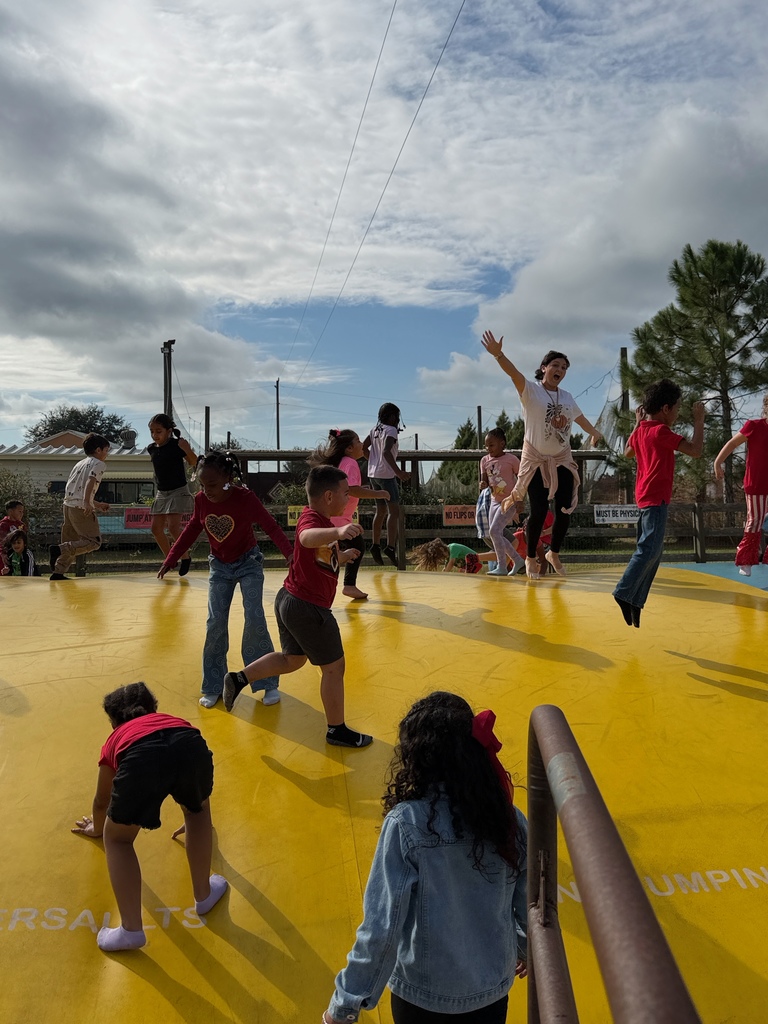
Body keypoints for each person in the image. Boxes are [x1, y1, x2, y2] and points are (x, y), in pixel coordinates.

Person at [324, 691, 527, 1024]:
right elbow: (531, 898)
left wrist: (344, 1006)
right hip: (490, 990)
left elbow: (381, 929)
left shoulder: (407, 825)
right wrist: (524, 948)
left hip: (423, 996)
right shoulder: (509, 819)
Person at [223, 465, 373, 749]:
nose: (348, 497)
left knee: (292, 660)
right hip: (307, 607)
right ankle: (336, 730)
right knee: (334, 668)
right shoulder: (313, 520)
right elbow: (305, 539)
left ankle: (239, 678)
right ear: (329, 496)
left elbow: (317, 557)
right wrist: (339, 531)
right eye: (345, 493)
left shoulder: (321, 522)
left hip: (290, 600)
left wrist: (343, 557)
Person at [71, 681, 227, 952]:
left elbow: (101, 799)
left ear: (113, 722)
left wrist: (98, 827)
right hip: (190, 743)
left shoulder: (117, 738)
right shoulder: (172, 720)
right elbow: (176, 758)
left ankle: (131, 929)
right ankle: (203, 894)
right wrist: (190, 805)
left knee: (118, 840)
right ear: (154, 708)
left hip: (140, 757)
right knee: (197, 813)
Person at [158, 451, 292, 708]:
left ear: (228, 478)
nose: (207, 491)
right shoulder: (201, 500)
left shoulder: (245, 498)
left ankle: (266, 683)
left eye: (212, 485)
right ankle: (214, 685)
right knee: (215, 623)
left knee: (254, 617)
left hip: (248, 564)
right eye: (202, 485)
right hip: (219, 567)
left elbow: (270, 526)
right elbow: (192, 529)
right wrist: (171, 556)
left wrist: (289, 553)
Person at [481, 331, 601, 579]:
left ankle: (553, 553)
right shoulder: (531, 392)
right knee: (537, 510)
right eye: (555, 365)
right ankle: (531, 557)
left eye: (565, 367)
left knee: (566, 508)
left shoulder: (567, 397)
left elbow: (579, 418)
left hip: (561, 459)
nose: (560, 369)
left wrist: (594, 432)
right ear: (543, 368)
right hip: (535, 460)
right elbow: (513, 374)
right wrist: (498, 354)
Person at [613, 380, 704, 627]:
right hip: (655, 499)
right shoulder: (660, 432)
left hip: (645, 499)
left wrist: (636, 423)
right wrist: (698, 420)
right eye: (677, 408)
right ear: (665, 409)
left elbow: (627, 452)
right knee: (649, 550)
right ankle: (623, 592)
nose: (677, 413)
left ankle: (635, 600)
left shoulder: (642, 430)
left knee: (655, 552)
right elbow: (695, 450)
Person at [308, 429, 389, 600]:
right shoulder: (350, 463)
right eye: (358, 441)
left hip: (333, 518)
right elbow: (352, 490)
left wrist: (366, 490)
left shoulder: (343, 462)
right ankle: (349, 585)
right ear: (349, 448)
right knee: (357, 546)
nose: (362, 445)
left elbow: (352, 489)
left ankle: (323, 584)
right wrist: (378, 493)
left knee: (331, 552)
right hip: (340, 521)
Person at [713, 394, 768, 576]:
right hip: (756, 483)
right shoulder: (754, 426)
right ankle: (745, 560)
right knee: (755, 521)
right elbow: (732, 443)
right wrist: (718, 462)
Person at [49, 433, 111, 580]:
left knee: (71, 540)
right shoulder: (99, 464)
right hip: (79, 507)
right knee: (93, 541)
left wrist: (96, 504)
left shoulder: (80, 463)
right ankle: (58, 550)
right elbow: (90, 481)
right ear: (98, 450)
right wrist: (86, 503)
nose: (107, 454)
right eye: (106, 450)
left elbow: (77, 488)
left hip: (68, 504)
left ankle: (58, 572)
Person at [147, 413, 198, 575]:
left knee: (173, 527)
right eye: (152, 431)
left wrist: (187, 449)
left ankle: (185, 557)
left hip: (178, 490)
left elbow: (194, 462)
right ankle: (170, 559)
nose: (155, 435)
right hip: (162, 492)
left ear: (169, 431)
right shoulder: (151, 449)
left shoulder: (177, 445)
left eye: (158, 431)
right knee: (156, 529)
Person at [363, 403, 410, 567]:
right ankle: (390, 546)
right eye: (397, 416)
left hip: (373, 475)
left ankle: (375, 544)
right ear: (392, 417)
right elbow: (386, 452)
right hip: (386, 476)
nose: (397, 420)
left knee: (380, 510)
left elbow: (363, 447)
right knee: (394, 511)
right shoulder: (391, 430)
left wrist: (372, 461)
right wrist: (399, 472)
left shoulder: (374, 430)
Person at [480, 428, 525, 577]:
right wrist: (482, 484)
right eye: (486, 446)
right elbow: (484, 479)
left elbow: (522, 480)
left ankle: (502, 566)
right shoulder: (484, 460)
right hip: (494, 501)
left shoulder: (512, 459)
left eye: (491, 445)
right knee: (494, 533)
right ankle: (517, 560)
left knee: (494, 531)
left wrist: (520, 500)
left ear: (502, 444)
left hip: (509, 500)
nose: (488, 449)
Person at [408, 537, 496, 573]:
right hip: (467, 566)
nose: (442, 559)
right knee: (461, 572)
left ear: (442, 549)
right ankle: (470, 569)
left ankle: (473, 566)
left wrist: (446, 573)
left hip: (475, 561)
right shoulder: (448, 556)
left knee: (463, 573)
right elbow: (445, 568)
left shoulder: (453, 547)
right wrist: (443, 573)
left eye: (440, 556)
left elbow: (451, 562)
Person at [510, 510, 555, 575]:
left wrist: (541, 575)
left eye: (537, 530)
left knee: (538, 559)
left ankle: (534, 567)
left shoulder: (537, 541)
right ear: (525, 528)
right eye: (532, 530)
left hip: (527, 564)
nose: (534, 534)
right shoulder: (516, 537)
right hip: (513, 566)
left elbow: (544, 561)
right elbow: (506, 557)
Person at [0, 499, 26, 574]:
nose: (22, 514)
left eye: (22, 512)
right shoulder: (3, 525)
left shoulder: (22, 525)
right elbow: (2, 541)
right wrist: (3, 554)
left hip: (18, 555)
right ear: (10, 512)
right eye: (19, 511)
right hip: (6, 556)